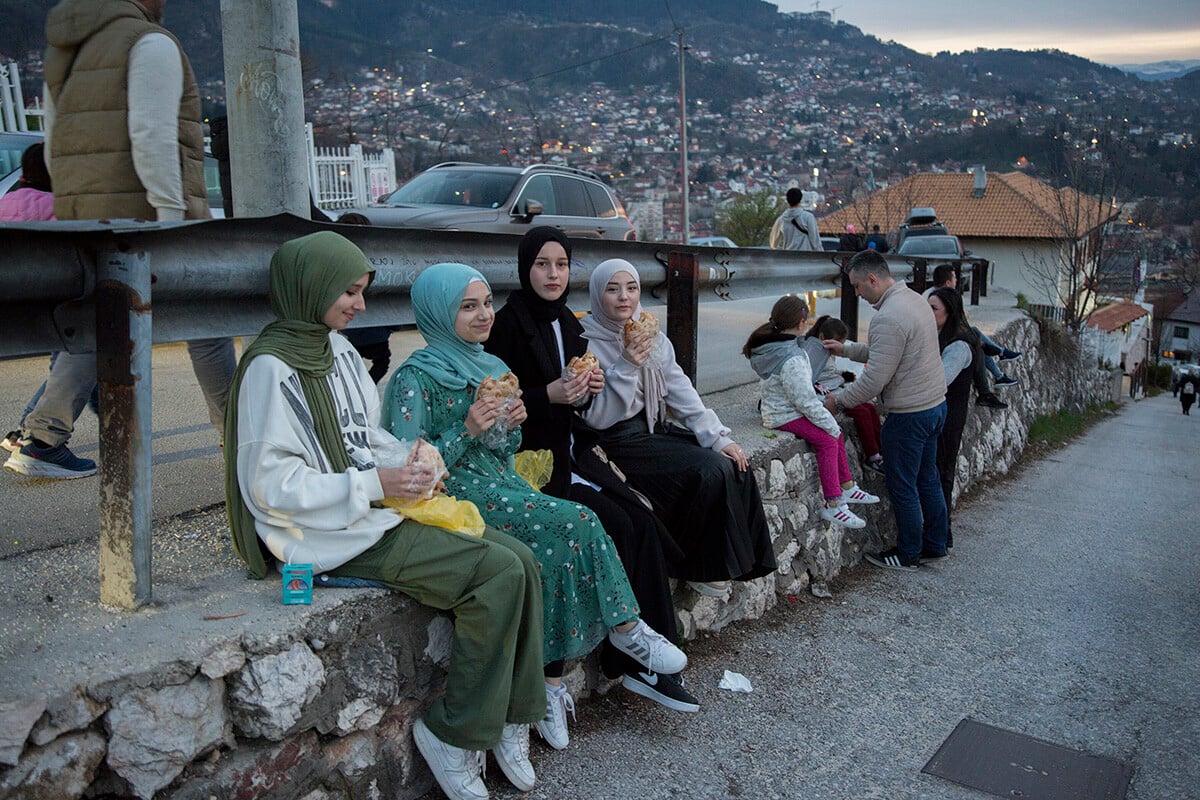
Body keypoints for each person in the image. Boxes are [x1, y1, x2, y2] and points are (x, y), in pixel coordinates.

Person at [226, 233, 545, 800]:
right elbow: (268, 487)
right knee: (495, 574)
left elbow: (365, 437)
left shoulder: (341, 352)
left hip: (376, 510)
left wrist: (414, 461)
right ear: (311, 289)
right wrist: (375, 483)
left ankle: (510, 715)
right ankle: (454, 732)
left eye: (362, 291)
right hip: (325, 537)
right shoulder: (270, 371)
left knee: (521, 558)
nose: (360, 305)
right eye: (348, 292)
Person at [383, 262, 687, 752]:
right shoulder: (414, 379)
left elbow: (502, 452)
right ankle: (627, 628)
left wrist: (510, 426)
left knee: (556, 548)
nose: (484, 315)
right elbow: (409, 467)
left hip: (501, 482)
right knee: (579, 518)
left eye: (485, 303)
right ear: (439, 313)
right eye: (468, 307)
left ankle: (548, 685)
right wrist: (469, 429)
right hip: (455, 496)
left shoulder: (487, 367)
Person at [7, 0, 237, 479]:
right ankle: (239, 439)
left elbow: (53, 146)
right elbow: (152, 134)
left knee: (98, 329)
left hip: (86, 223)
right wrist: (170, 221)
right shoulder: (149, 42)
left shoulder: (66, 50)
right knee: (208, 325)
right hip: (148, 218)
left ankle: (44, 438)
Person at [485, 227, 699, 714]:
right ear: (525, 268)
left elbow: (583, 408)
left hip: (572, 454)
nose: (553, 274)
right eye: (542, 264)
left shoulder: (569, 322)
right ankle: (627, 659)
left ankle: (647, 665)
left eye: (562, 264)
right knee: (618, 523)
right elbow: (496, 406)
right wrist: (551, 396)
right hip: (529, 467)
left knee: (640, 521)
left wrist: (592, 387)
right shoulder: (505, 326)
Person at [578, 259, 777, 591]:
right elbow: (597, 417)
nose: (623, 297)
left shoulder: (649, 334)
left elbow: (680, 390)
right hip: (612, 442)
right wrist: (626, 364)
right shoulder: (586, 342)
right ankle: (700, 567)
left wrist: (718, 437)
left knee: (733, 463)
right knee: (708, 470)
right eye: (612, 289)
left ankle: (743, 564)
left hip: (652, 430)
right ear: (598, 295)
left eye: (631, 288)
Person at [822, 250, 948, 571]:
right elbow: (888, 352)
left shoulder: (888, 317)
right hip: (935, 405)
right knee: (928, 478)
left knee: (903, 484)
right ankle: (935, 544)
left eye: (857, 286)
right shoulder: (915, 300)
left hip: (909, 415)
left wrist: (838, 401)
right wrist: (847, 348)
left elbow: (875, 379)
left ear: (873, 279)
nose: (857, 294)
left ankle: (907, 554)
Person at [0, 143, 101, 458]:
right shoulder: (62, 207)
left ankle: (25, 431)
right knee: (76, 354)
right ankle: (36, 436)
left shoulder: (5, 203)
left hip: (14, 305)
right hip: (59, 303)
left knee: (71, 363)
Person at [744, 295, 879, 529]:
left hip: (779, 408)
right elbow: (804, 400)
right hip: (784, 414)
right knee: (828, 438)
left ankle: (847, 487)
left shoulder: (772, 347)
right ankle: (834, 504)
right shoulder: (792, 357)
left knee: (831, 431)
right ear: (801, 323)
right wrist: (828, 420)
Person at [928, 287, 979, 551]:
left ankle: (941, 534)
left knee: (941, 474)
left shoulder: (959, 345)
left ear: (950, 311)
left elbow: (942, 379)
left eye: (933, 308)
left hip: (948, 417)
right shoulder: (939, 337)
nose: (928, 313)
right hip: (940, 413)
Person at [924, 265, 1014, 408]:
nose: (957, 281)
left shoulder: (933, 294)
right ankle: (995, 355)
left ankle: (993, 354)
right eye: (954, 278)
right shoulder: (937, 298)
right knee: (973, 338)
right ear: (948, 282)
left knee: (973, 335)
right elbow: (960, 318)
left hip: (948, 335)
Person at [805, 315, 884, 475]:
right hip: (828, 393)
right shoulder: (813, 353)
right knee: (861, 412)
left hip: (837, 387)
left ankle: (882, 449)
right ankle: (873, 455)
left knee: (869, 408)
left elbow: (830, 372)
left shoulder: (827, 352)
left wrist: (844, 375)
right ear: (822, 337)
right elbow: (814, 377)